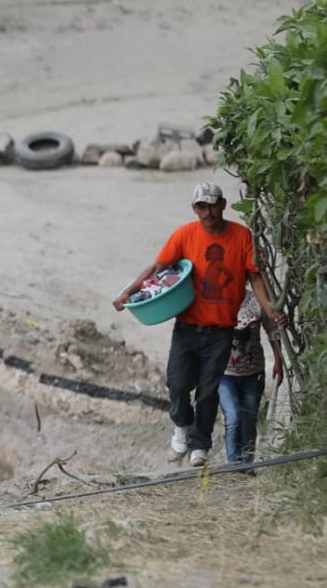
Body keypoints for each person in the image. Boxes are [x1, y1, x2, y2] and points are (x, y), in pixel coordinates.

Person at [112, 182, 286, 466]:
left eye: (212, 205)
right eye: (201, 207)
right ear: (194, 209)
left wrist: (271, 309)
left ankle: (200, 445)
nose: (207, 213)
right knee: (177, 383)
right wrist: (126, 293)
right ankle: (182, 425)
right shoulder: (184, 235)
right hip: (187, 326)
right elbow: (158, 269)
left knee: (208, 390)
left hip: (221, 331)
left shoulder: (242, 236)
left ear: (223, 205)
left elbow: (255, 277)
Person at [218, 289, 283, 468]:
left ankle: (247, 464)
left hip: (253, 373)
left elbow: (272, 331)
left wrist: (278, 360)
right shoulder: (215, 298)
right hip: (224, 374)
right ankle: (233, 463)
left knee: (249, 420)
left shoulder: (257, 300)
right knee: (232, 417)